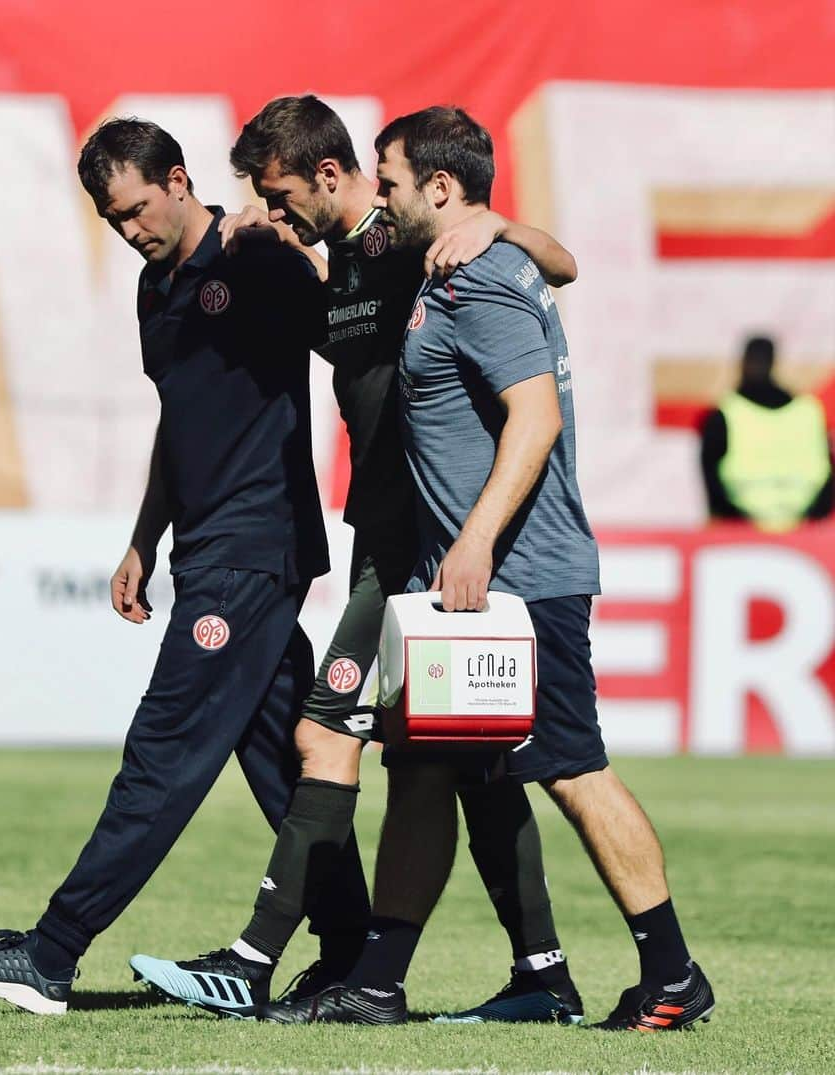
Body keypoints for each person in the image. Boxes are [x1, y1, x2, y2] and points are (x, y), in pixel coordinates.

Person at [130, 95, 587, 1025]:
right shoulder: (329, 267)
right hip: (384, 540)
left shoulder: (412, 242)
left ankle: (255, 957)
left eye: (283, 192)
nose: (275, 208)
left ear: (330, 177)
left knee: (325, 732)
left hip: (425, 549)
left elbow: (559, 264)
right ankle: (538, 974)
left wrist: (501, 223)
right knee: (466, 764)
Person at [264, 106, 714, 1031]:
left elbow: (536, 418)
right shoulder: (447, 265)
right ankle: (378, 982)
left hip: (522, 579)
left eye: (388, 179)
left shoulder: (488, 276)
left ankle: (672, 972)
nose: (376, 194)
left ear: (440, 187)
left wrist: (472, 541)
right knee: (421, 772)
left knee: (574, 768)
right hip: (458, 588)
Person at [0, 117, 373, 1015]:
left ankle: (52, 954)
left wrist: (313, 255)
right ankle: (356, 955)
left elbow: (356, 340)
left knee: (164, 751)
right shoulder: (152, 289)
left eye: (136, 209)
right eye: (111, 219)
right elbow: (184, 420)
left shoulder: (256, 257)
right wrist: (144, 535)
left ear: (177, 180)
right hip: (208, 546)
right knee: (283, 758)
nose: (129, 230)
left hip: (254, 548)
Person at [700, 335, 832, 530]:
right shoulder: (808, 411)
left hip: (745, 531)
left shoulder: (726, 413)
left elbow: (711, 481)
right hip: (802, 530)